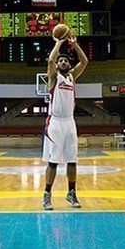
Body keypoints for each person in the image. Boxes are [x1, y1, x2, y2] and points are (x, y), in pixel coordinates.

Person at [42, 31, 88, 210]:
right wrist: (59, 43)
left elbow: (84, 61)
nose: (63, 62)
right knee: (53, 162)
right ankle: (47, 195)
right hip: (55, 123)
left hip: (70, 122)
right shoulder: (54, 78)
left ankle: (71, 192)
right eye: (60, 60)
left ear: (69, 65)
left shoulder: (72, 77)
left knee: (72, 161)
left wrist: (74, 44)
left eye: (66, 61)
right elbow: (50, 61)